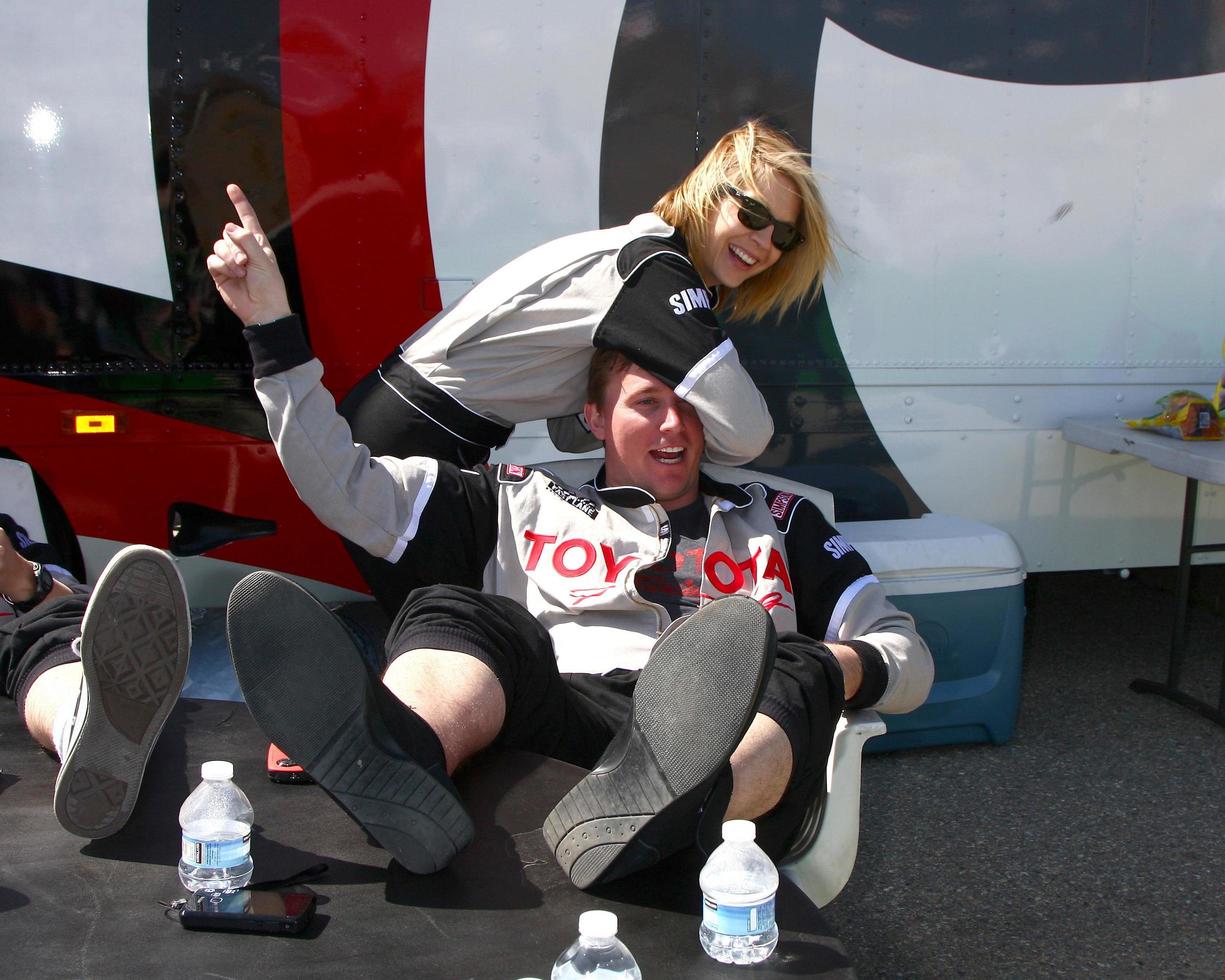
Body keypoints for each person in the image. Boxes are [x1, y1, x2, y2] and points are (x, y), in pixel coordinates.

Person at [206, 176, 934, 888]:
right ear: (592, 418)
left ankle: (670, 816)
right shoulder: (517, 499)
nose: (674, 424)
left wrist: (832, 669)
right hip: (568, 717)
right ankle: (399, 763)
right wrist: (272, 333)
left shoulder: (779, 520)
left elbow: (907, 657)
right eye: (647, 402)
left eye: (689, 404)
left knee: (794, 662)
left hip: (724, 760)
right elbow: (344, 488)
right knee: (457, 609)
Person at [213, 119, 837, 613]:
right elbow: (747, 434)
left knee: (448, 623)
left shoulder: (636, 258)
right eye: (752, 214)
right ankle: (334, 730)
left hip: (421, 425)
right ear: (708, 193)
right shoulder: (654, 272)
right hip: (412, 435)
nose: (764, 244)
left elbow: (577, 423)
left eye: (784, 237)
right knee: (445, 632)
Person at [0, 515, 191, 838]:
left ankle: (81, 724)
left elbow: (69, 613)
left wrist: (22, 580)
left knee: (48, 639)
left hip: (25, 648)